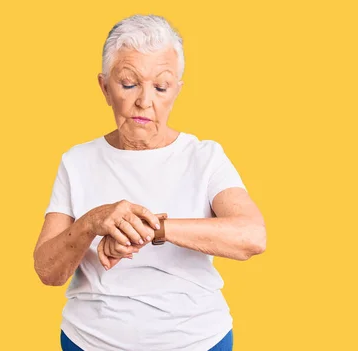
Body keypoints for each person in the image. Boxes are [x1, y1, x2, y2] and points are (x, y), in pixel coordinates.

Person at [33, 14, 266, 351]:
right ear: (105, 88)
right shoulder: (77, 161)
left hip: (197, 342)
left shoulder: (205, 157)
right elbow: (47, 271)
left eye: (161, 86)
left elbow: (251, 236)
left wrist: (152, 228)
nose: (145, 101)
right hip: (89, 342)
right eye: (129, 83)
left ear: (177, 91)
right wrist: (93, 223)